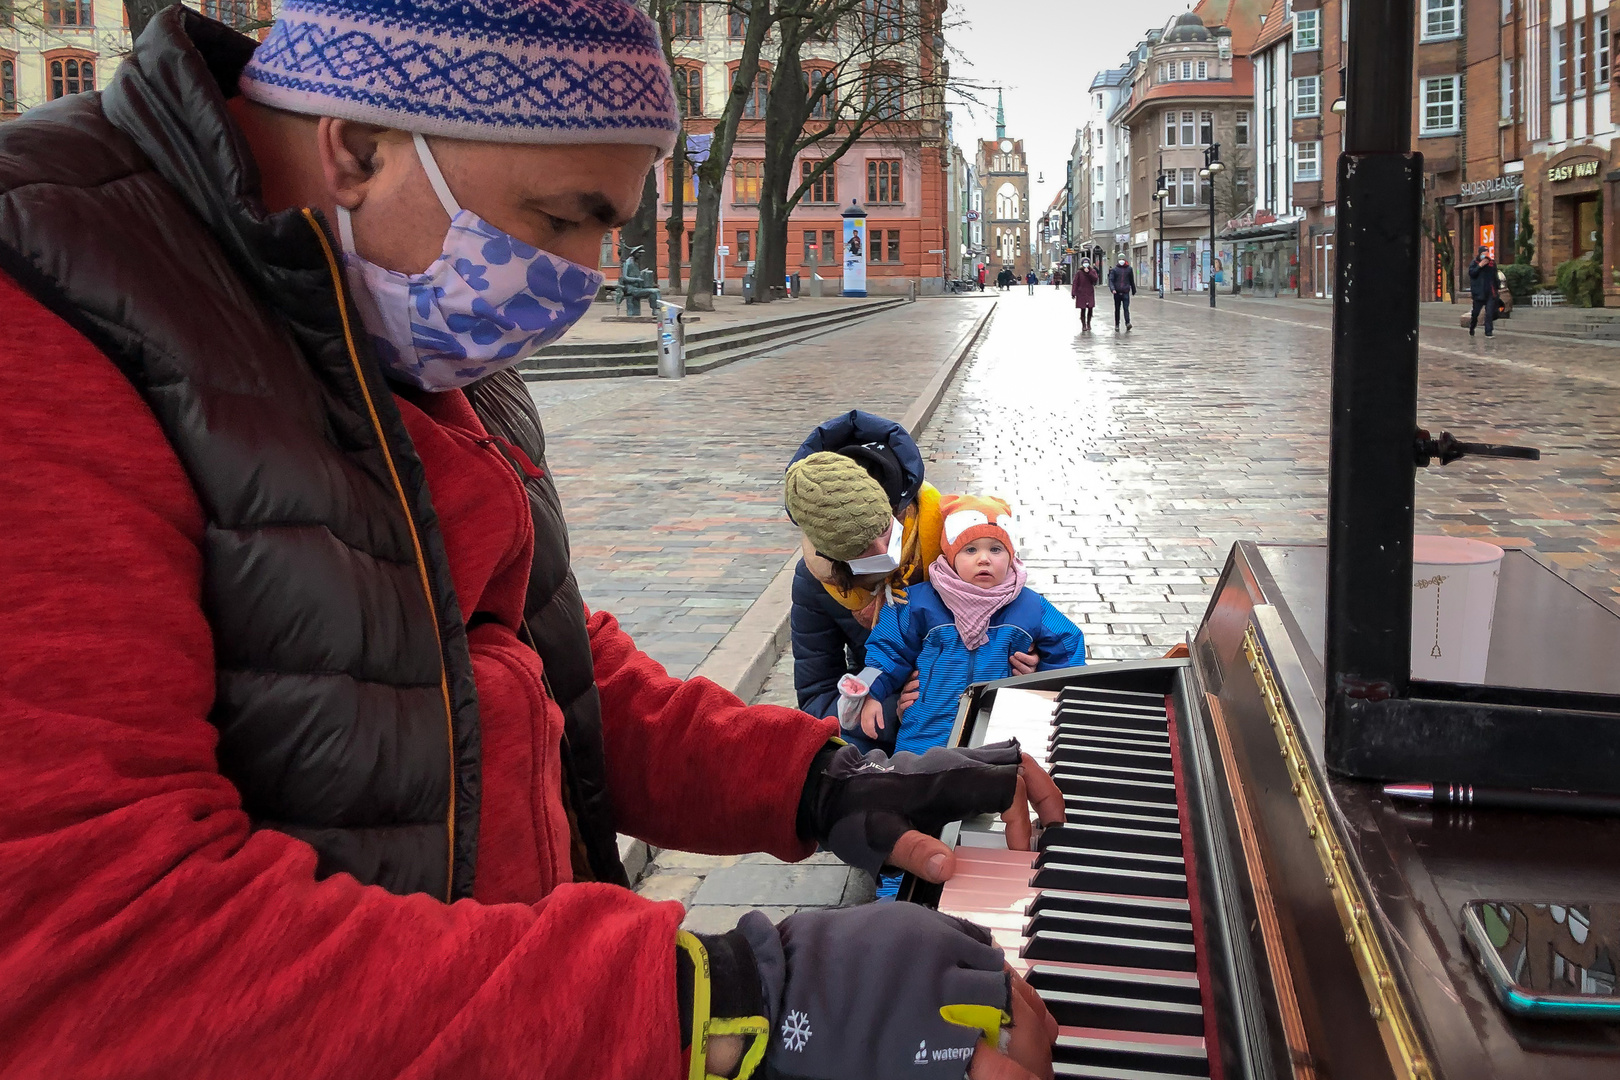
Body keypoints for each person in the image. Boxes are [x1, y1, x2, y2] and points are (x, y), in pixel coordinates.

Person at [0, 4, 1064, 1078]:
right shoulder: (49, 310)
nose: (592, 274)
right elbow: (96, 957)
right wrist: (715, 1002)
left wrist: (823, 781)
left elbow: (541, 672)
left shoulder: (386, 295)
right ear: (361, 147)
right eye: (561, 220)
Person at [783, 424, 1042, 753]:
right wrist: (893, 707)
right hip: (894, 724)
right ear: (830, 554)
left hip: (983, 707)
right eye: (861, 549)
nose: (882, 551)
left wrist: (1031, 662)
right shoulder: (815, 581)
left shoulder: (951, 538)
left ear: (893, 505)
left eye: (884, 529)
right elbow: (817, 698)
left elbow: (1017, 608)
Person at [853, 496, 1085, 756]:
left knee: (999, 787)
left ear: (1011, 557)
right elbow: (888, 649)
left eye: (996, 549)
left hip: (1000, 731)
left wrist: (1046, 689)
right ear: (950, 556)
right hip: (926, 731)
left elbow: (1067, 644)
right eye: (970, 550)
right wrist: (871, 694)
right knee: (914, 785)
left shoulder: (1029, 605)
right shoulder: (918, 603)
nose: (984, 559)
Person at [1468, 246, 1500, 337]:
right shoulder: (1474, 263)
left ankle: (1488, 332)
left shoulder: (1492, 263)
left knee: (1489, 313)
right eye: (1483, 253)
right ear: (1480, 253)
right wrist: (1480, 266)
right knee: (1475, 313)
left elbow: (1495, 276)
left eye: (1487, 252)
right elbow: (1472, 274)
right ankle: (1472, 327)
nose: (1485, 255)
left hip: (1490, 291)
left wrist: (1497, 289)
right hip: (1479, 293)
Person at [1109, 256, 1137, 331]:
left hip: (1125, 292)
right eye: (1120, 259)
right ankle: (1117, 325)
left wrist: (1133, 290)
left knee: (1126, 308)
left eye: (1122, 259)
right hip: (1117, 292)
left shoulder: (1129, 269)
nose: (1121, 261)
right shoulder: (1114, 270)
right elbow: (1111, 280)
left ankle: (1127, 323)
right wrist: (1113, 289)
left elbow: (1131, 280)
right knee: (1117, 309)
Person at [1071, 259, 1100, 331]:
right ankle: (1083, 325)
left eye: (1087, 263)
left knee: (1090, 308)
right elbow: (1075, 282)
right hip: (1081, 293)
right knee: (1083, 309)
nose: (1086, 264)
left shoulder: (1092, 271)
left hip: (1089, 292)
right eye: (1084, 263)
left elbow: (1095, 279)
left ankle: (1088, 323)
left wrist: (1089, 273)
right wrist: (1073, 293)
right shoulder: (1079, 272)